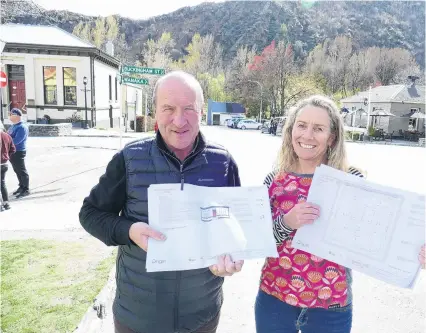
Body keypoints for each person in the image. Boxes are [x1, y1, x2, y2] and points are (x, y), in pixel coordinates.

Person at [79, 71, 244, 333]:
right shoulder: (130, 159)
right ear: (155, 111)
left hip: (201, 315)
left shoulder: (222, 163)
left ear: (201, 111)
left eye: (189, 108)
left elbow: (234, 226)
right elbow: (90, 214)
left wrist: (231, 255)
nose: (179, 120)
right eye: (168, 108)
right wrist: (129, 231)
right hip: (138, 316)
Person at [255, 95, 426, 333]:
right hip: (275, 301)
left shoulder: (351, 180)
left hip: (330, 307)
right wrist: (287, 222)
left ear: (332, 137)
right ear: (290, 130)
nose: (307, 135)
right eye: (301, 125)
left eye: (319, 129)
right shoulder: (275, 180)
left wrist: (413, 254)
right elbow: (258, 240)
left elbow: (378, 233)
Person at [7, 108, 30, 198]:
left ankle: (26, 189)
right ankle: (21, 186)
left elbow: (17, 140)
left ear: (17, 116)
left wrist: (7, 141)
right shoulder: (13, 126)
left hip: (19, 151)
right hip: (12, 151)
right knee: (16, 170)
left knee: (21, 170)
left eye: (12, 115)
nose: (10, 116)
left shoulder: (22, 127)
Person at [1, 125, 16, 211]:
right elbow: (13, 149)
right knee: (2, 184)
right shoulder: (7, 136)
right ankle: (6, 203)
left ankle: (1, 206)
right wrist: (6, 157)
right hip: (4, 164)